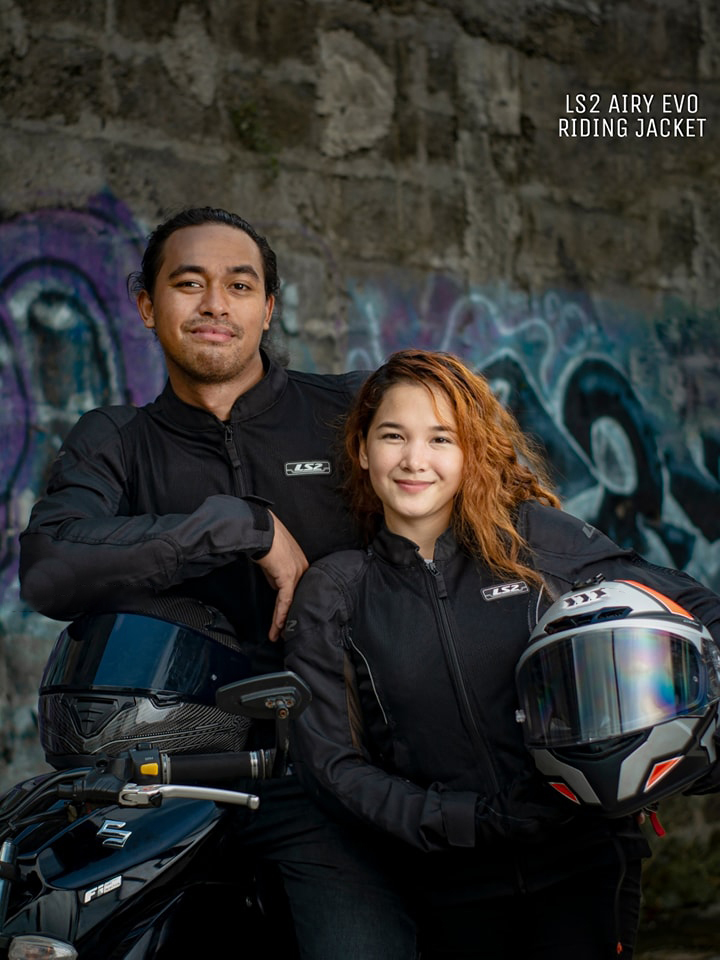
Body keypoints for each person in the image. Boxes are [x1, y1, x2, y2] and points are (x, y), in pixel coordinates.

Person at [18, 208, 417, 959]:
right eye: (188, 283)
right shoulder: (115, 441)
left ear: (268, 307)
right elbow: (48, 569)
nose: (214, 305)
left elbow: (486, 510)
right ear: (147, 305)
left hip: (330, 781)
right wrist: (242, 526)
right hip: (157, 779)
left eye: (239, 285)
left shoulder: (351, 411)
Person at [283, 348, 720, 960]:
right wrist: (470, 819)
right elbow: (332, 769)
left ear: (470, 451)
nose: (414, 459)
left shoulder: (533, 540)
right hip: (445, 887)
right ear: (361, 449)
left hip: (582, 868)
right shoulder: (336, 591)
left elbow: (693, 613)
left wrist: (685, 746)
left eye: (441, 438)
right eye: (393, 436)